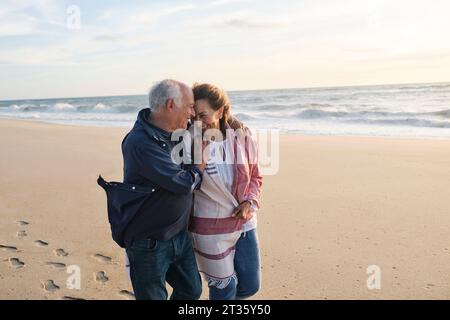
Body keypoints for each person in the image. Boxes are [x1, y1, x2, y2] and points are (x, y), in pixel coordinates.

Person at [121, 79, 204, 300]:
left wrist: (233, 123)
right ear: (170, 105)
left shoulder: (175, 134)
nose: (192, 112)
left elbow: (214, 122)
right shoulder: (140, 142)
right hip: (149, 243)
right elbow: (182, 183)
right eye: (189, 106)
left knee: (191, 290)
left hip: (179, 235)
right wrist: (199, 168)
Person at [189, 83, 263, 300]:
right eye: (194, 115)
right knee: (224, 289)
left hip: (244, 223)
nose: (197, 121)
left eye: (203, 115)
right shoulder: (186, 141)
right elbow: (182, 185)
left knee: (250, 286)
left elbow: (256, 176)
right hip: (209, 227)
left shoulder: (242, 135)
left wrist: (250, 201)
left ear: (220, 111)